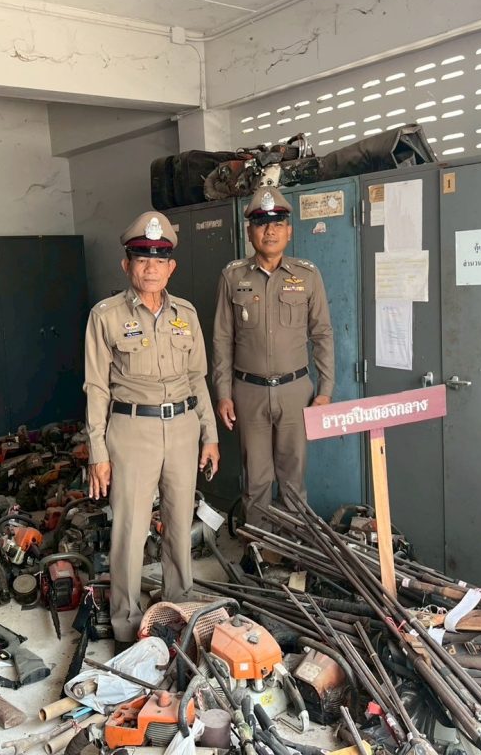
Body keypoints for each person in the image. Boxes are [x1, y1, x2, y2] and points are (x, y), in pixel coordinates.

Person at [83, 210, 219, 650]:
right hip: (132, 431)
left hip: (182, 429)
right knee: (130, 529)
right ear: (127, 265)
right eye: (142, 259)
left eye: (159, 260)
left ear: (171, 267)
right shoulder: (105, 316)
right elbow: (96, 387)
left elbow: (198, 379)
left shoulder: (186, 314)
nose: (151, 269)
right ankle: (126, 624)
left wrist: (210, 435)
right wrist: (98, 452)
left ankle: (178, 609)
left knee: (179, 523)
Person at [211, 186, 334, 530]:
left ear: (289, 231)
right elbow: (222, 339)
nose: (270, 231)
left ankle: (294, 545)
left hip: (296, 391)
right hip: (248, 392)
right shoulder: (233, 276)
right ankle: (259, 547)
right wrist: (223, 393)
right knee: (256, 479)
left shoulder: (307, 275)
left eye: (278, 223)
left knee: (293, 477)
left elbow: (323, 335)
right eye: (261, 223)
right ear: (249, 231)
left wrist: (325, 391)